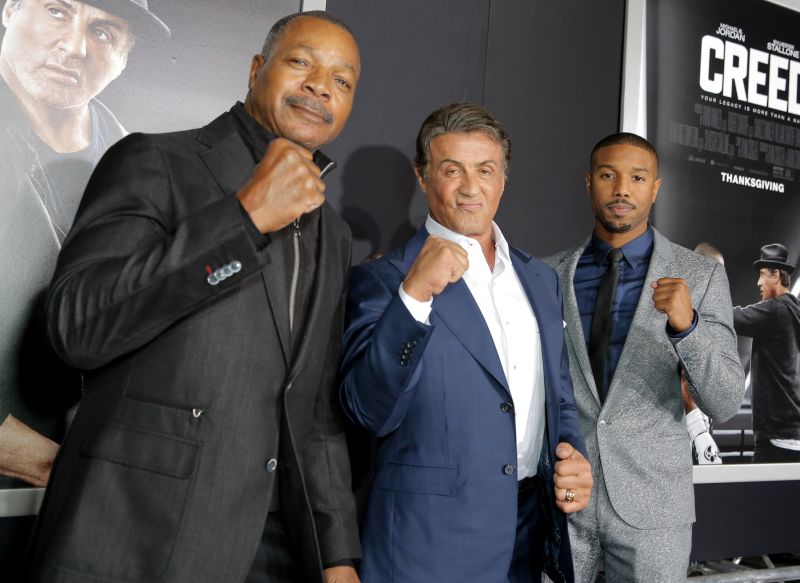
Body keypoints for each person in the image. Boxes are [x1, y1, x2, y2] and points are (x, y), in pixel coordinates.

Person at [26, 11, 361, 583]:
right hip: (137, 536)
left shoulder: (334, 232)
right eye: (301, 62)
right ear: (257, 69)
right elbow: (78, 328)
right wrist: (244, 219)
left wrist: (336, 554)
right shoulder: (155, 160)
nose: (319, 86)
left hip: (273, 550)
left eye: (342, 79)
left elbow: (312, 408)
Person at [341, 102, 593, 583]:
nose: (471, 187)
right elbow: (367, 412)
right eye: (451, 169)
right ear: (422, 176)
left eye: (485, 169)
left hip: (528, 536)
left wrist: (572, 456)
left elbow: (557, 396)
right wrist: (413, 298)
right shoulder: (382, 280)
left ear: (504, 178)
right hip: (428, 546)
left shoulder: (541, 279)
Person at [545, 133, 744, 582]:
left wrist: (687, 327)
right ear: (588, 183)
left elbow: (727, 401)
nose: (621, 189)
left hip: (654, 509)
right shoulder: (547, 275)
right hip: (563, 501)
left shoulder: (701, 276)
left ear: (655, 188)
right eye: (608, 175)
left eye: (637, 178)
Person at [0, 0, 169, 487]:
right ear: (10, 8)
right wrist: (50, 465)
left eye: (103, 31)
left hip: (95, 497)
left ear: (124, 57)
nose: (74, 47)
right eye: (57, 10)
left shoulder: (144, 171)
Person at [733, 243, 800, 463]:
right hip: (793, 434)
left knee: (759, 496)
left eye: (762, 275)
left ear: (776, 275)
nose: (758, 282)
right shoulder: (793, 312)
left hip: (775, 436)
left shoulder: (775, 309)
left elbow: (733, 317)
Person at [683, 243, 726, 465]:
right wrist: (700, 435)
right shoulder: (680, 315)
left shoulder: (707, 315)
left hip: (700, 427)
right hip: (682, 434)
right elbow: (683, 376)